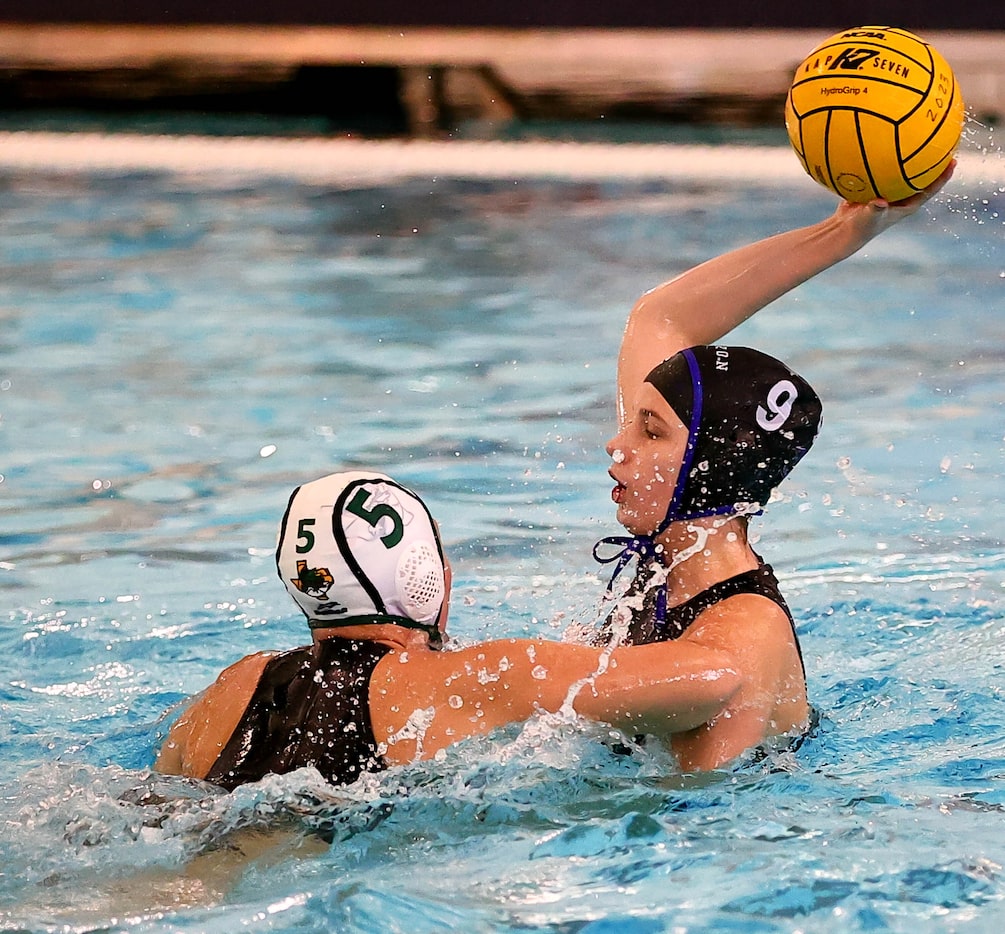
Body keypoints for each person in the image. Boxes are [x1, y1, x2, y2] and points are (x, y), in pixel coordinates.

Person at [155, 168, 953, 784]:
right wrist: (844, 231)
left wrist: (496, 684)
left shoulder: (739, 639)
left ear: (706, 467)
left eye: (647, 431)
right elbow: (660, 321)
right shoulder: (670, 558)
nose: (614, 447)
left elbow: (686, 826)